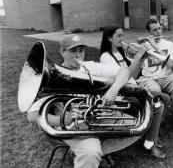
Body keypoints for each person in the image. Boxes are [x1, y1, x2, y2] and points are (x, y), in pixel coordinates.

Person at [27, 34, 163, 168]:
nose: (78, 55)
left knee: (142, 117)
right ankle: (97, 154)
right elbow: (31, 115)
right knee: (91, 153)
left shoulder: (89, 67)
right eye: (73, 51)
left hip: (98, 119)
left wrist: (113, 90)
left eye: (81, 50)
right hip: (75, 128)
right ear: (62, 52)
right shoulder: (53, 77)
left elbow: (124, 72)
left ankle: (107, 151)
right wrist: (64, 119)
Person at [99, 26, 166, 160]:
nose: (122, 39)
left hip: (133, 89)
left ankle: (149, 135)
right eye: (119, 36)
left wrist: (141, 59)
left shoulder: (121, 52)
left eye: (122, 35)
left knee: (162, 100)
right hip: (122, 95)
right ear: (109, 38)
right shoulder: (105, 57)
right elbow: (122, 79)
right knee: (157, 104)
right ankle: (149, 144)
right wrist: (138, 56)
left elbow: (133, 76)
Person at [137, 18, 173, 140]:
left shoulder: (169, 44)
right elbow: (137, 65)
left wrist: (155, 47)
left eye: (159, 28)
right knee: (155, 89)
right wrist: (142, 50)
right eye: (155, 30)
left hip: (166, 76)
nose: (159, 32)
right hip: (148, 78)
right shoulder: (143, 45)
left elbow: (171, 65)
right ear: (149, 33)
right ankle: (158, 122)